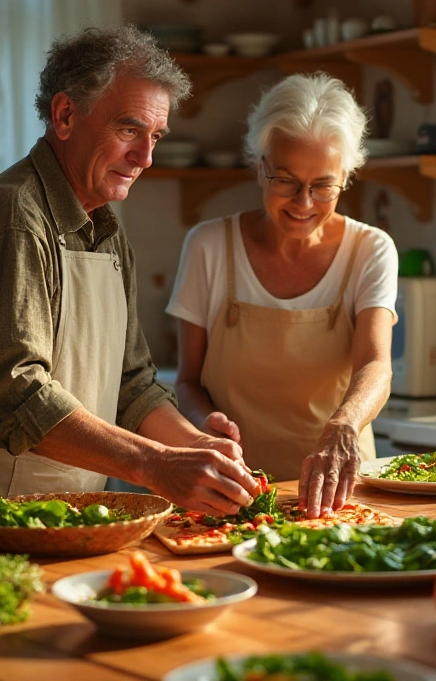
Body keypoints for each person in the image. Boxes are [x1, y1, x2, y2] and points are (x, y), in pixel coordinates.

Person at [0, 26, 258, 528]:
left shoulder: (107, 230)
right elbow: (16, 397)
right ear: (65, 116)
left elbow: (132, 386)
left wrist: (195, 445)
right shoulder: (13, 216)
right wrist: (156, 464)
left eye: (155, 137)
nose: (145, 158)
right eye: (129, 130)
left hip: (69, 511)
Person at [166, 74, 398, 519]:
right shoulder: (209, 246)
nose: (304, 202)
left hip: (338, 491)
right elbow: (187, 381)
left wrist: (344, 426)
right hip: (230, 490)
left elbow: (376, 364)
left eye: (323, 185)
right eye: (286, 181)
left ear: (345, 178)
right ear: (259, 166)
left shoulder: (370, 250)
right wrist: (204, 429)